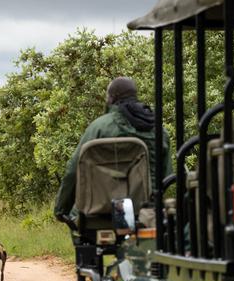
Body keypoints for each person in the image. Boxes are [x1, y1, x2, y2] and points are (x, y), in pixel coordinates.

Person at [54, 77, 173, 221]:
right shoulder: (158, 131)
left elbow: (73, 171)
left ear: (111, 99)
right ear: (134, 96)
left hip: (99, 213)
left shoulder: (98, 127)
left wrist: (61, 210)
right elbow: (167, 176)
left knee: (77, 218)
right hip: (145, 212)